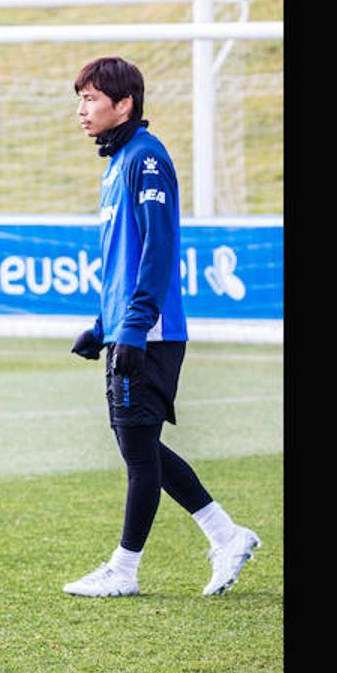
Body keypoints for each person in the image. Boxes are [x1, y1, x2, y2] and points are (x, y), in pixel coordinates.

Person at [63, 56, 260, 598]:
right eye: (79, 99)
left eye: (90, 99)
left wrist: (133, 324)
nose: (81, 110)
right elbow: (120, 258)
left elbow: (157, 248)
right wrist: (103, 324)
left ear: (124, 104)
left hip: (148, 332)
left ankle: (124, 570)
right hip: (130, 327)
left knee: (137, 451)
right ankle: (227, 535)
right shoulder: (118, 161)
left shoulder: (146, 160)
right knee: (140, 445)